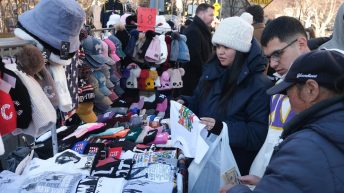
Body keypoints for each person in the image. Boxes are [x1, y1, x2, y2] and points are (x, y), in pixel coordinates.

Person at [221, 49, 344, 193]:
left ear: (311, 90)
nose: (288, 99)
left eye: (287, 92)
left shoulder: (305, 146)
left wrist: (236, 190)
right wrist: (277, 182)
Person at [178, 13, 272, 175]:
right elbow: (200, 103)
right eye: (218, 46)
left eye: (226, 47)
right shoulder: (211, 71)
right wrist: (185, 103)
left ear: (241, 49)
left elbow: (257, 134)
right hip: (203, 157)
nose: (220, 52)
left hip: (232, 164)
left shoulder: (258, 84)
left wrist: (223, 128)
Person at [242, 16, 311, 184]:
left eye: (278, 54)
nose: (272, 64)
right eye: (269, 57)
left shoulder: (324, 89)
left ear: (301, 44)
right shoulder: (280, 84)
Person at [181, 3, 214, 96]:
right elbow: (195, 59)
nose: (212, 18)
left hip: (199, 81)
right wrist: (206, 75)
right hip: (193, 83)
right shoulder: (194, 31)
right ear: (202, 14)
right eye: (210, 15)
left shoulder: (201, 30)